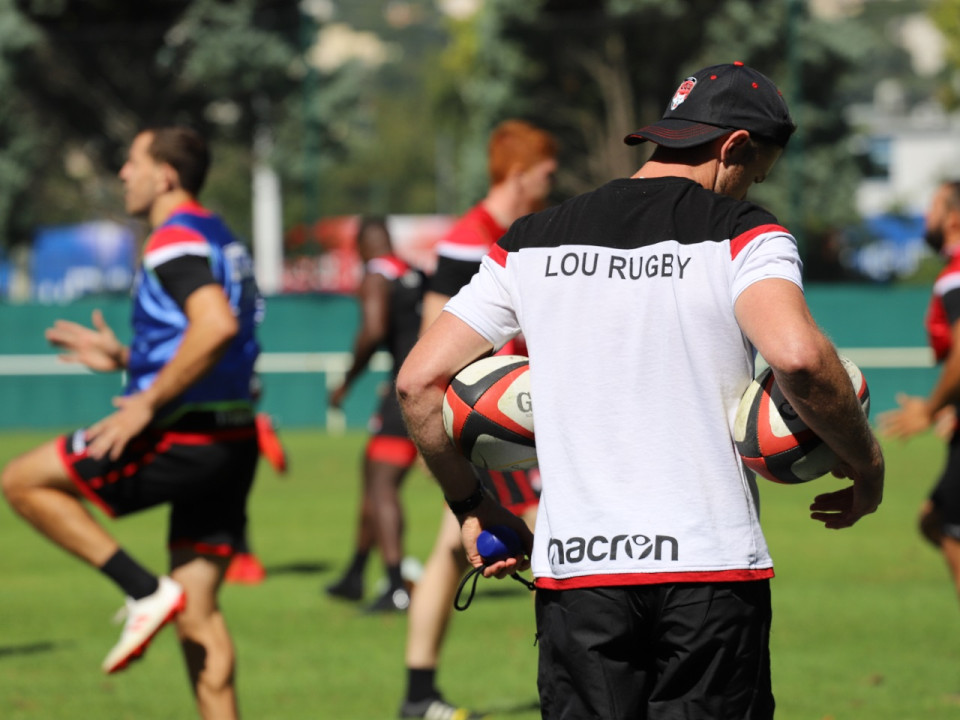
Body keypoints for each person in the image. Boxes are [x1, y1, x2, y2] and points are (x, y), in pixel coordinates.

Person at [397, 63, 885, 719]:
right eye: (756, 170)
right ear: (734, 148)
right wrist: (867, 461)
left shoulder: (530, 241)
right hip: (710, 574)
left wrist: (469, 504)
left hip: (578, 577)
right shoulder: (745, 233)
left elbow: (418, 382)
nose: (751, 186)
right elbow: (798, 357)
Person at [1, 126, 261, 720]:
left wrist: (145, 400)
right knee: (198, 617)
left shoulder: (171, 240)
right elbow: (220, 335)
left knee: (22, 480)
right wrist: (127, 359)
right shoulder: (220, 234)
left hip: (184, 434)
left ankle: (142, 589)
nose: (123, 173)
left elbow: (215, 326)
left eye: (132, 162)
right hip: (234, 435)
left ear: (165, 175)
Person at [398, 119, 557, 720]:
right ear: (519, 173)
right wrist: (456, 434)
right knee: (555, 536)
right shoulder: (471, 240)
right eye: (546, 170)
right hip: (493, 428)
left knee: (450, 547)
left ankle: (418, 694)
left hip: (515, 424)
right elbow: (430, 345)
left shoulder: (523, 235)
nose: (552, 181)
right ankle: (592, 672)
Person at [325, 216, 425, 612]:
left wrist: (347, 381)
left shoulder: (376, 275)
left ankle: (396, 586)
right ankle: (355, 573)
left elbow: (372, 329)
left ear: (363, 246)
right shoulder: (415, 272)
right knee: (372, 472)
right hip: (425, 384)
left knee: (382, 484)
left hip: (406, 390)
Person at [879, 180, 960, 601]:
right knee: (936, 519)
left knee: (944, 523)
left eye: (932, 208)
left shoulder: (955, 276)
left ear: (953, 218)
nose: (924, 218)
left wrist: (929, 410)